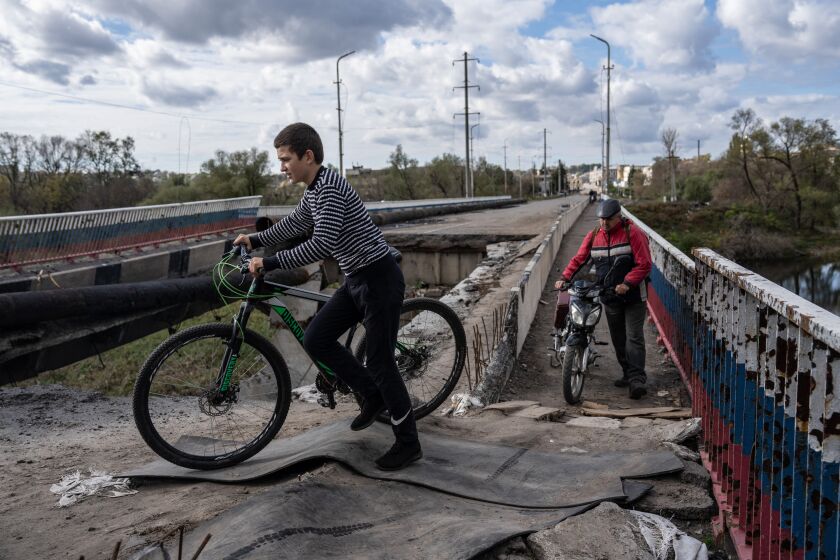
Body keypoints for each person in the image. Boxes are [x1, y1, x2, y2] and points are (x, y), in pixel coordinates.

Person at [233, 122, 421, 471]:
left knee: (381, 362)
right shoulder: (314, 191)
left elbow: (321, 243)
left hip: (378, 279)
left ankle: (409, 443)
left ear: (308, 156)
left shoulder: (331, 189)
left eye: (285, 159)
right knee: (317, 337)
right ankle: (372, 394)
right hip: (356, 279)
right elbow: (294, 224)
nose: (282, 167)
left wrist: (269, 263)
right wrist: (254, 240)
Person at [554, 198, 652, 399]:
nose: (604, 223)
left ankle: (636, 380)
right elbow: (579, 259)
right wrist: (565, 278)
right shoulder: (594, 236)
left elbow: (644, 264)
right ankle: (627, 373)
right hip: (609, 295)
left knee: (634, 336)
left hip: (633, 295)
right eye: (601, 219)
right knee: (618, 338)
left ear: (619, 217)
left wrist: (627, 283)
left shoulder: (633, 233)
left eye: (609, 219)